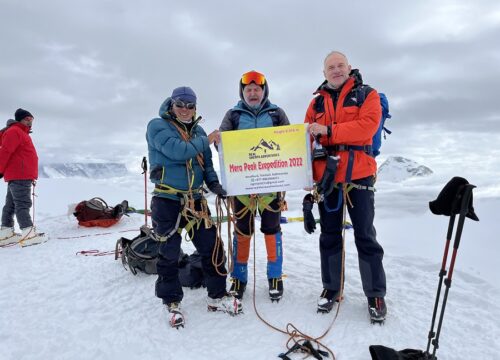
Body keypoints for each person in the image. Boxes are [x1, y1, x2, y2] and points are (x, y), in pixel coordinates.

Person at [146, 86, 242, 328]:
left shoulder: (197, 131)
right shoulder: (157, 126)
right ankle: (171, 301)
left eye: (190, 106)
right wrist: (206, 139)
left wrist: (214, 184)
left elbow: (206, 164)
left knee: (212, 247)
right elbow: (177, 151)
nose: (185, 110)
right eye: (180, 104)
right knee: (168, 251)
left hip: (195, 200)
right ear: (172, 105)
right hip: (167, 199)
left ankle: (217, 296)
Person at [304, 51, 387, 322]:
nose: (336, 70)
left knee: (365, 235)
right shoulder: (316, 104)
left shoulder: (367, 95)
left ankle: (375, 294)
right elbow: (305, 140)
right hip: (327, 179)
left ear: (349, 68)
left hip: (359, 176)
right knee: (329, 235)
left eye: (340, 65)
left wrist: (328, 131)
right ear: (324, 73)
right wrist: (305, 176)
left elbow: (366, 128)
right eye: (331, 67)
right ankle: (331, 289)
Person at [219, 70, 290, 302]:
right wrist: (220, 141)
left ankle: (275, 277)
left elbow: (289, 142)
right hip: (243, 185)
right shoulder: (233, 115)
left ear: (263, 91)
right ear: (242, 92)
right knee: (242, 229)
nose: (252, 93)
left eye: (256, 89)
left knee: (272, 228)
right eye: (248, 90)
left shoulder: (277, 113)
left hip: (271, 184)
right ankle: (239, 278)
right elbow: (222, 149)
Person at [0, 109, 45, 247]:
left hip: (18, 174)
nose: (30, 121)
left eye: (31, 119)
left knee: (12, 204)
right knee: (23, 204)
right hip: (21, 174)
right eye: (27, 119)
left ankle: (6, 233)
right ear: (19, 119)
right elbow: (5, 151)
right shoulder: (15, 132)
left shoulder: (19, 132)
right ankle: (28, 233)